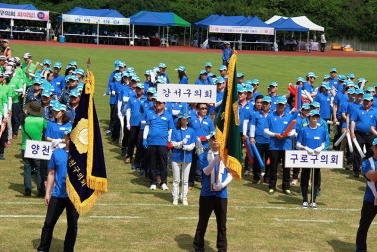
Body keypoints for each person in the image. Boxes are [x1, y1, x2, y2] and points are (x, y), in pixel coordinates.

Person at [37, 130, 79, 252]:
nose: (70, 140)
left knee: (72, 226)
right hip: (58, 195)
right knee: (48, 224)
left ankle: (68, 249)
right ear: (65, 137)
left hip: (74, 197)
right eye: (68, 137)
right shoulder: (57, 154)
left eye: (73, 137)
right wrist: (47, 193)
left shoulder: (81, 157)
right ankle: (43, 249)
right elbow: (51, 174)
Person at [193, 135, 233, 252]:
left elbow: (231, 174)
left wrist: (222, 185)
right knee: (202, 222)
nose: (215, 140)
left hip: (221, 195)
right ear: (210, 141)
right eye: (213, 139)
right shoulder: (204, 155)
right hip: (207, 194)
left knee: (222, 224)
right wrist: (216, 160)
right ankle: (198, 246)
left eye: (217, 139)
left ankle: (222, 248)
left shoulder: (227, 156)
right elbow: (205, 171)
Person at [264, 96, 295, 196]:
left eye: (282, 105)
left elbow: (294, 130)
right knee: (273, 167)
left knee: (286, 167)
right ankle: (272, 187)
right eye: (279, 105)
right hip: (274, 145)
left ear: (285, 105)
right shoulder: (270, 116)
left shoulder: (289, 116)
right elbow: (265, 130)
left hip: (286, 145)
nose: (280, 106)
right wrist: (274, 134)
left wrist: (289, 134)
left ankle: (286, 187)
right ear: (276, 105)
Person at [296, 110, 326, 209]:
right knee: (305, 177)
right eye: (313, 117)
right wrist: (305, 148)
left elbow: (323, 143)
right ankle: (305, 199)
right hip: (306, 157)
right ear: (309, 118)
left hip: (316, 157)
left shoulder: (322, 130)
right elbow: (298, 144)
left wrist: (320, 148)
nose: (315, 119)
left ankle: (313, 200)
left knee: (316, 178)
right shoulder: (303, 130)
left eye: (317, 117)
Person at [143, 96, 174, 190]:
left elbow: (170, 129)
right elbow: (147, 127)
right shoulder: (151, 113)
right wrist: (144, 139)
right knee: (152, 162)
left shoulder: (168, 115)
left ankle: (163, 182)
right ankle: (153, 182)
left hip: (162, 142)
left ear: (164, 104)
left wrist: (169, 140)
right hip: (151, 142)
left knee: (163, 163)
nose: (158, 104)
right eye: (157, 102)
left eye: (160, 103)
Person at [22, 101, 47, 197]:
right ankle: (41, 190)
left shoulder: (25, 120)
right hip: (37, 146)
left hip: (25, 146)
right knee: (39, 169)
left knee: (27, 168)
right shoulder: (41, 120)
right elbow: (45, 128)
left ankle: (27, 190)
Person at [171, 112, 196, 206]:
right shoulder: (175, 130)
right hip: (176, 158)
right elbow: (173, 143)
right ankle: (175, 197)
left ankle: (184, 198)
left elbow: (193, 144)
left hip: (187, 158)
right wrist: (181, 143)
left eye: (187, 119)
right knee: (176, 180)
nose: (186, 120)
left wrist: (188, 147)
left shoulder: (191, 131)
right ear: (180, 120)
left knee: (185, 180)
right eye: (184, 119)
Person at [351, 93, 376, 178]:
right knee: (357, 152)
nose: (366, 103)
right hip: (359, 134)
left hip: (371, 135)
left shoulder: (375, 111)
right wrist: (352, 132)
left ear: (371, 102)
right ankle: (356, 170)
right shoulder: (357, 110)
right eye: (365, 101)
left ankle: (369, 170)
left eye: (368, 101)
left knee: (371, 152)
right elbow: (353, 121)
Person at [249, 95, 271, 182]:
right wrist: (251, 137)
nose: (264, 105)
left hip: (270, 141)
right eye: (263, 103)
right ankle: (256, 177)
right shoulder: (256, 114)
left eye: (266, 103)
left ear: (270, 104)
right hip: (258, 141)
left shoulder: (273, 114)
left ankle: (267, 177)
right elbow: (252, 126)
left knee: (269, 160)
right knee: (257, 159)